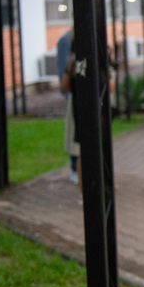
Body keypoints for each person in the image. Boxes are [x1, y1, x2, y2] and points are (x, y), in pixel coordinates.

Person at [56, 29, 79, 184]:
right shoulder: (66, 41)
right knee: (75, 135)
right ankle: (75, 168)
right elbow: (64, 75)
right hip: (75, 100)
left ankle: (77, 169)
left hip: (77, 99)